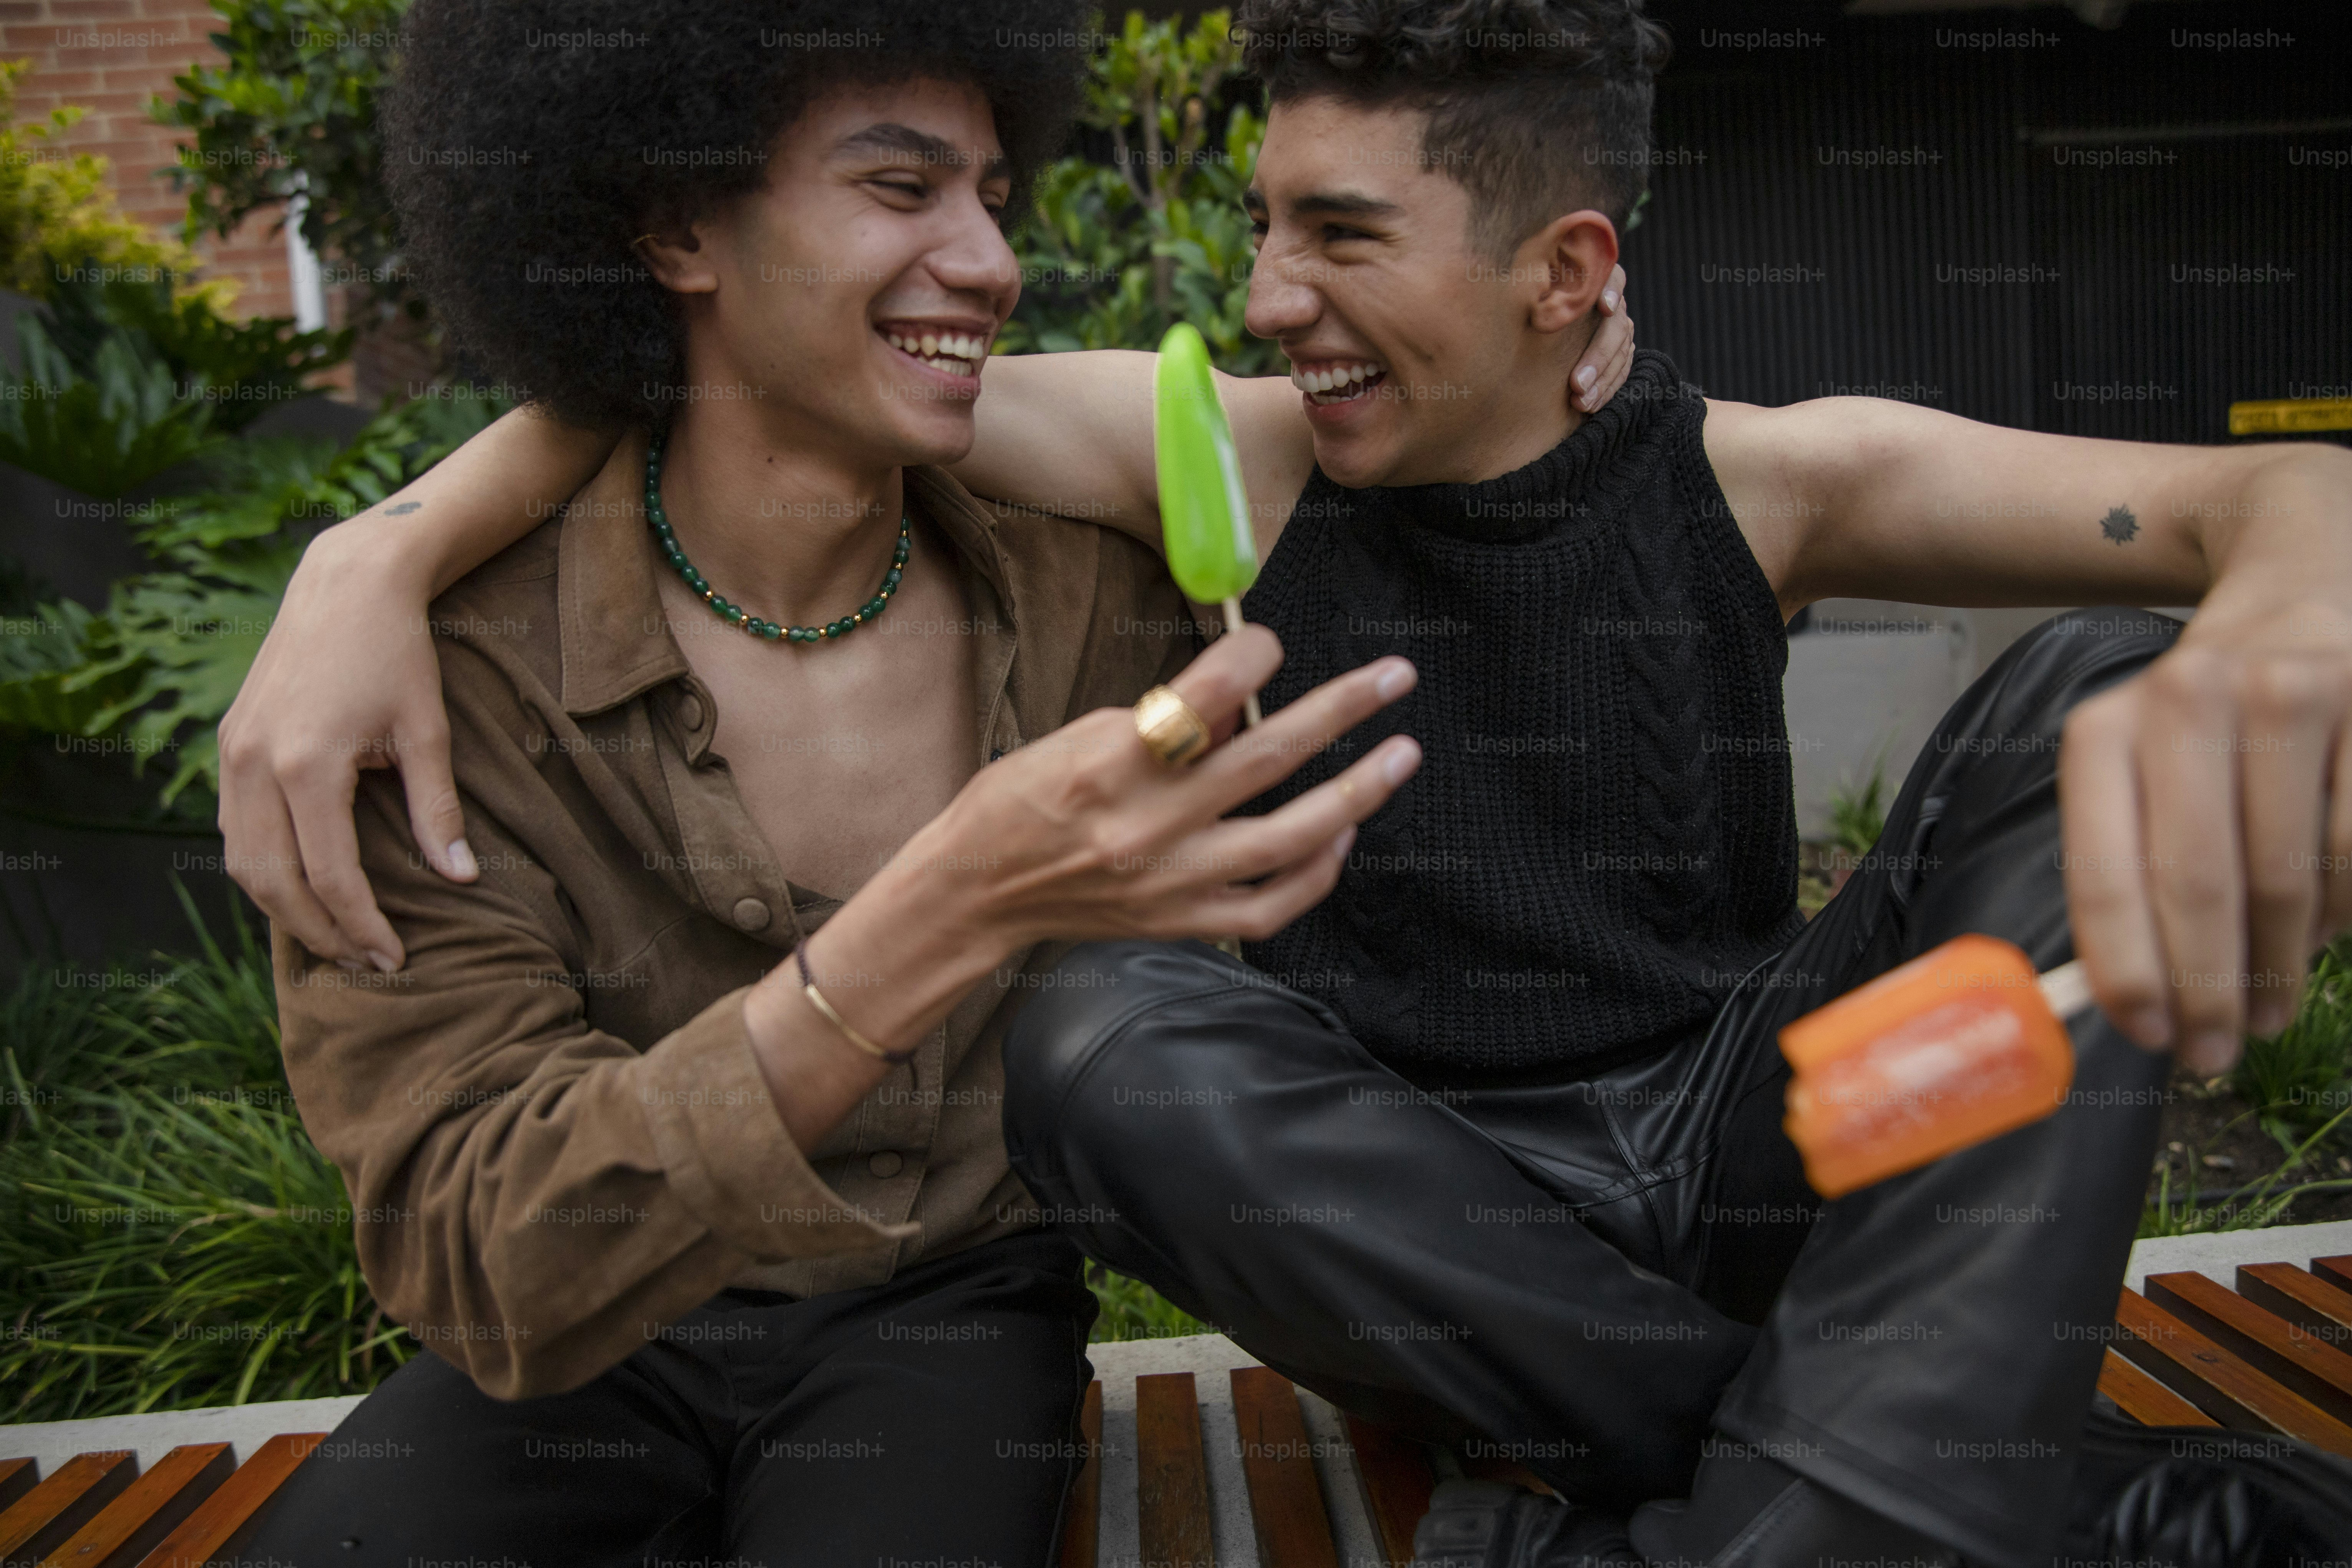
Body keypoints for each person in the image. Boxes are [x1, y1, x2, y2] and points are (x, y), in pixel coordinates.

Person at [224, 2, 2352, 1566]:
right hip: (1420, 1230)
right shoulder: (1228, 461)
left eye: (1337, 235)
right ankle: (2014, 1508)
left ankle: (1774, 1526)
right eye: (1260, 228)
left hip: (1781, 1126)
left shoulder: (1774, 480)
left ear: (1563, 273)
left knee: (2097, 679)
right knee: (1097, 1030)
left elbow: (2271, 500)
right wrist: (374, 554)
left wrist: (2281, 637)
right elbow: (742, 373)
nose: (1261, 300)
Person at [222, 3, 1639, 1564]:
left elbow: (1461, 450)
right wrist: (945, 908)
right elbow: (480, 1255)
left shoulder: (1105, 582)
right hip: (584, 1342)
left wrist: (1537, 325)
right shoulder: (435, 685)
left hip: (946, 1311)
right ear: (676, 226)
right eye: (901, 188)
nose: (989, 261)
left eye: (990, 195)